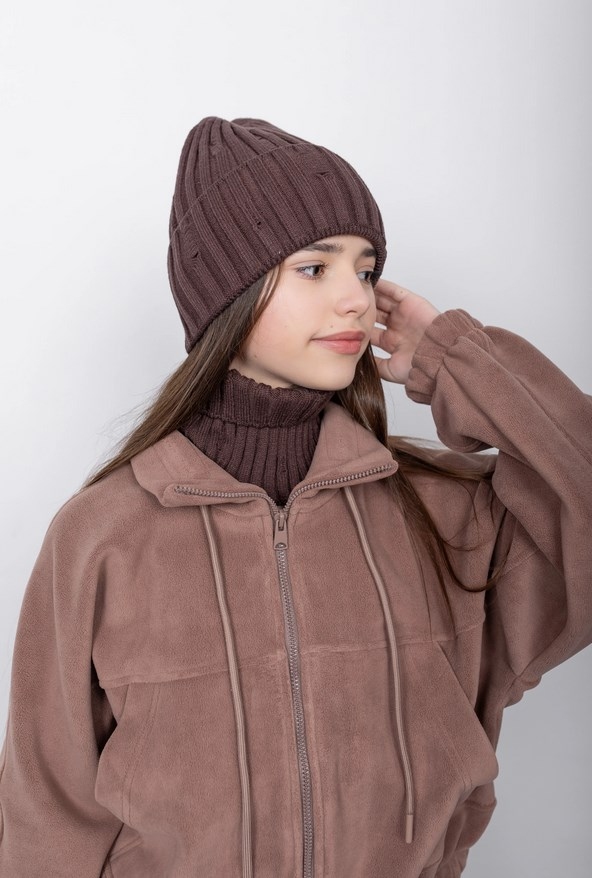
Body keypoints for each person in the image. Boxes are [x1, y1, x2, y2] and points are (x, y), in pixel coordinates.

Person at [0, 116, 590, 878]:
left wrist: (456, 359)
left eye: (366, 271)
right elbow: (45, 817)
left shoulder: (445, 515)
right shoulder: (103, 534)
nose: (356, 301)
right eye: (315, 268)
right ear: (228, 297)